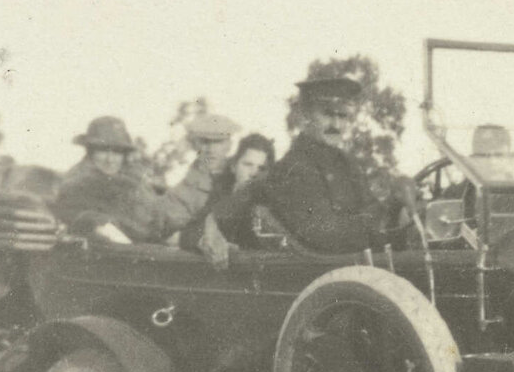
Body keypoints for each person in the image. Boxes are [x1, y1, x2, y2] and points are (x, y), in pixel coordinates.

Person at [245, 76, 418, 254]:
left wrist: (396, 207)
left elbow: (372, 211)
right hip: (329, 271)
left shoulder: (347, 164)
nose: (336, 125)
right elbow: (326, 236)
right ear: (305, 115)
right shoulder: (293, 167)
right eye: (327, 114)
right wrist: (380, 226)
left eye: (342, 116)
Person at [52, 116, 166, 243]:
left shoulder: (136, 184)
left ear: (124, 155)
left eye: (117, 152)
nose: (110, 160)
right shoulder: (74, 186)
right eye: (103, 150)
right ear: (90, 151)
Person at [181, 132, 275, 269]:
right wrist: (206, 240)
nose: (254, 173)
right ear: (234, 166)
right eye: (247, 164)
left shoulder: (271, 202)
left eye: (262, 168)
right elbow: (189, 233)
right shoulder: (222, 194)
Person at [151, 113, 240, 242]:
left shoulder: (241, 179)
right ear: (196, 145)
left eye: (218, 142)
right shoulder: (181, 193)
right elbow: (176, 236)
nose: (211, 149)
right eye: (205, 142)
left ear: (229, 145)